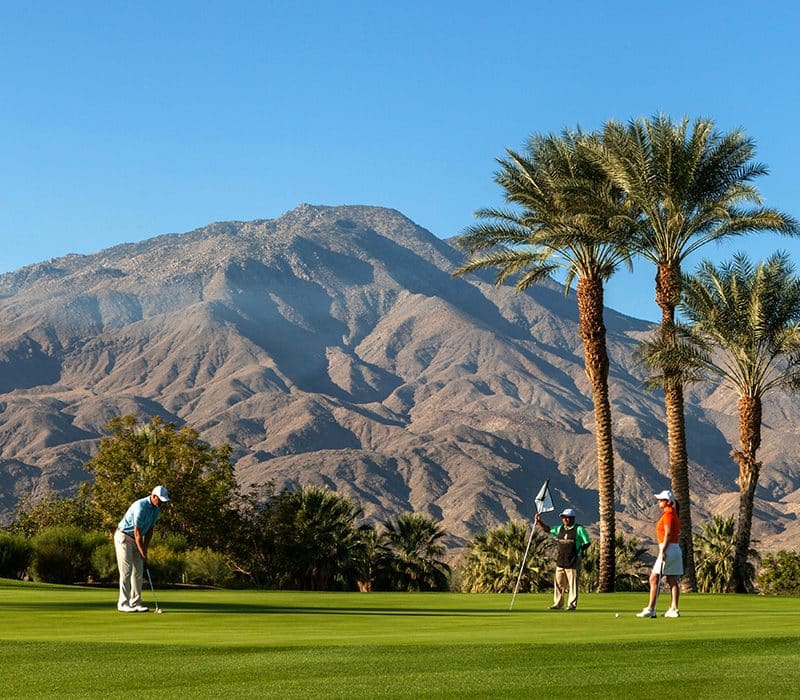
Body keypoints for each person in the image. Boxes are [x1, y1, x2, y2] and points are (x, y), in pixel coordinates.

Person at [114, 485, 170, 612]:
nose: (161, 503)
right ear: (153, 496)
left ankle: (135, 602)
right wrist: (142, 551)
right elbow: (138, 533)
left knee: (138, 570)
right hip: (124, 537)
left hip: (135, 539)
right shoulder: (140, 506)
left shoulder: (156, 509)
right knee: (126, 571)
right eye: (160, 500)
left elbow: (150, 531)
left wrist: (145, 549)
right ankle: (123, 604)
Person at [636, 489, 682, 618]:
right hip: (674, 548)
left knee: (653, 578)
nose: (659, 502)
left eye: (661, 500)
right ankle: (674, 608)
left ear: (668, 502)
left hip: (668, 548)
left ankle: (651, 608)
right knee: (672, 579)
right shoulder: (672, 513)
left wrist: (663, 551)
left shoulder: (668, 515)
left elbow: (667, 534)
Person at [535, 507, 591, 611]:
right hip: (561, 561)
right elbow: (548, 529)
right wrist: (539, 522)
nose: (565, 519)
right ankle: (558, 604)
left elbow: (587, 542)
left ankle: (571, 605)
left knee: (572, 584)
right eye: (563, 517)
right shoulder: (560, 528)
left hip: (573, 561)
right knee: (559, 583)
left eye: (567, 518)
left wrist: (579, 552)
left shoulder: (579, 529)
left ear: (572, 518)